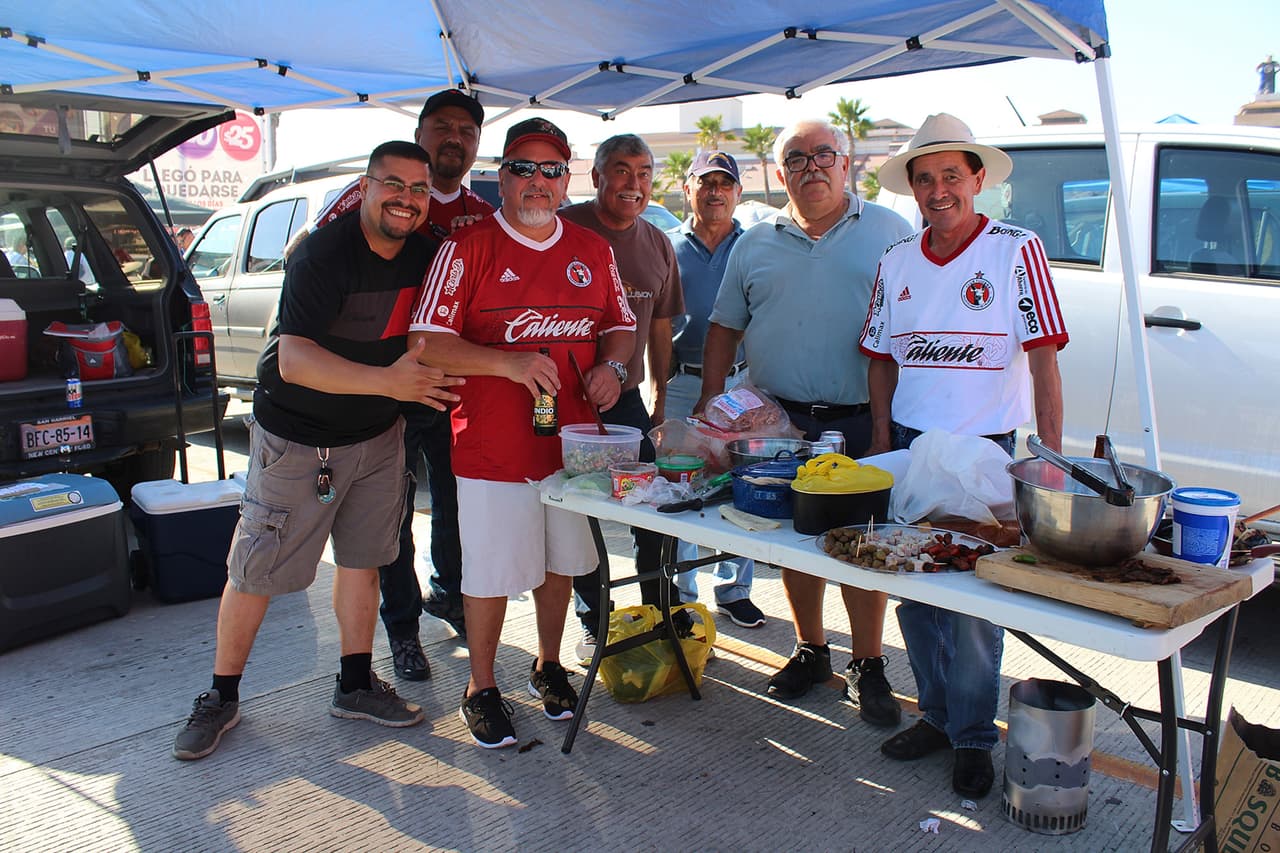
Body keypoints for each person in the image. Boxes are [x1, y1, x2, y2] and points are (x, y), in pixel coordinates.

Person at [171, 141, 462, 761]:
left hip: (379, 439)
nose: (405, 199)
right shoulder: (322, 254)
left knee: (363, 561)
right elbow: (295, 360)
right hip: (299, 438)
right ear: (366, 185)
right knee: (255, 567)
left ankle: (355, 683)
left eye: (417, 188)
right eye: (392, 184)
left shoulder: (431, 255)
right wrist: (390, 382)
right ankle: (220, 697)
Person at [409, 117, 636, 748]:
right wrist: (506, 363)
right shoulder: (468, 248)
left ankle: (548, 664)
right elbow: (425, 342)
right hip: (491, 445)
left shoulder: (593, 251)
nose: (538, 182)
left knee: (559, 564)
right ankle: (480, 687)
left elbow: (621, 325)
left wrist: (612, 368)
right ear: (502, 177)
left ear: (567, 182)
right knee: (489, 572)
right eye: (523, 168)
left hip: (573, 447)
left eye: (551, 170)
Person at [861, 112, 1068, 797]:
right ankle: (940, 716)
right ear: (913, 189)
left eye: (952, 174)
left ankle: (976, 736)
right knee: (916, 594)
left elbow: (1043, 362)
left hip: (989, 455)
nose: (938, 189)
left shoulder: (1016, 248)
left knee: (976, 607)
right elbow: (881, 359)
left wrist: (1050, 463)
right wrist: (885, 444)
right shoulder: (896, 259)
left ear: (978, 178)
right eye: (925, 178)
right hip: (916, 449)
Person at [698, 120, 913, 727]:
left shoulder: (890, 232)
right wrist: (712, 402)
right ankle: (812, 650)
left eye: (825, 155)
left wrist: (883, 427)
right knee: (795, 541)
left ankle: (868, 664)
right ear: (780, 172)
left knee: (862, 544)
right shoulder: (755, 241)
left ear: (847, 164)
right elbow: (723, 327)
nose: (812, 167)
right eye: (797, 158)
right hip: (778, 424)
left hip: (863, 420)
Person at [307, 89, 493, 679]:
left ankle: (454, 595)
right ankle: (403, 630)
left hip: (452, 384)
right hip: (386, 387)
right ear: (419, 132)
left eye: (465, 129)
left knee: (457, 500)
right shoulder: (368, 195)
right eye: (442, 126)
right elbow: (307, 259)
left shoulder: (481, 212)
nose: (453, 138)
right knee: (391, 514)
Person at [559, 134, 684, 659]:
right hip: (567, 400)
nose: (634, 183)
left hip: (627, 400)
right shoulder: (566, 229)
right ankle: (594, 616)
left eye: (644, 172)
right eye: (621, 170)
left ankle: (661, 607)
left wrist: (660, 397)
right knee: (578, 514)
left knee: (654, 507)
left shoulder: (657, 242)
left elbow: (658, 326)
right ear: (597, 176)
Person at [666, 150, 765, 629]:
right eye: (706, 182)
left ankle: (733, 589)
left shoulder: (755, 246)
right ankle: (683, 594)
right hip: (683, 382)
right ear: (689, 189)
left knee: (738, 484)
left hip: (741, 385)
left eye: (725, 184)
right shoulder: (667, 245)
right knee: (682, 486)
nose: (715, 192)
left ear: (738, 193)